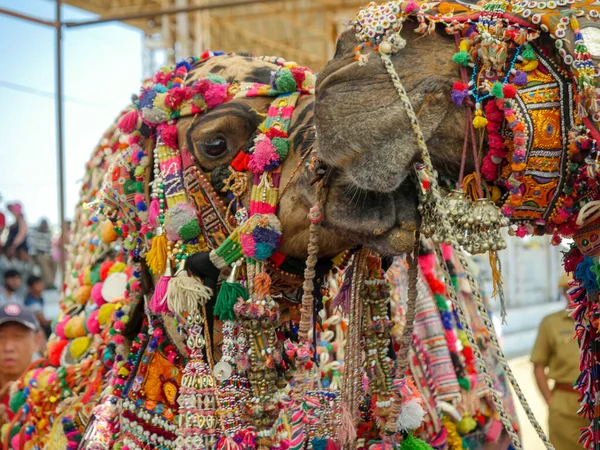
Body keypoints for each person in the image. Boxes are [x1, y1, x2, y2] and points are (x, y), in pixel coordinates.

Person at [531, 273, 588, 449]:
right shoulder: (550, 323)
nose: (573, 294)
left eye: (578, 290)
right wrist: (550, 401)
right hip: (564, 405)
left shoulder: (596, 321)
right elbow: (538, 365)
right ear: (563, 293)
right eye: (568, 290)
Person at [0, 303, 41, 426]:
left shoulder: (49, 389)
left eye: (18, 337)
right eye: (1, 337)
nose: (8, 347)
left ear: (36, 341)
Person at [29, 219, 56, 290]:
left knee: (54, 262)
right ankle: (49, 283)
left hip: (47, 254)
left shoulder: (48, 233)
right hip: (38, 254)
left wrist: (50, 255)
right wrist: (33, 256)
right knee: (43, 262)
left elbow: (49, 246)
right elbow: (32, 246)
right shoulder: (34, 232)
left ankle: (51, 282)